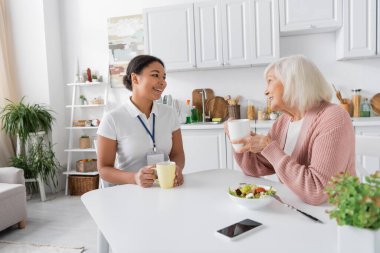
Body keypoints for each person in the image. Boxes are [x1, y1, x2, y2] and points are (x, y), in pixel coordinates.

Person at [226, 55, 356, 205]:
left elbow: (317, 191)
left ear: (292, 82)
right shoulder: (284, 121)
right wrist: (239, 138)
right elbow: (255, 168)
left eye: (269, 81)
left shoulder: (333, 117)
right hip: (295, 205)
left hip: (334, 214)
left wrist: (269, 148)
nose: (265, 92)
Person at [97, 55, 185, 187]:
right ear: (134, 78)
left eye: (164, 77)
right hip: (129, 192)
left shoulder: (169, 113)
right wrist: (134, 178)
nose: (163, 82)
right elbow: (104, 170)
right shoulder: (112, 119)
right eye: (155, 75)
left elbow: (177, 154)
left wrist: (177, 168)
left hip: (165, 188)